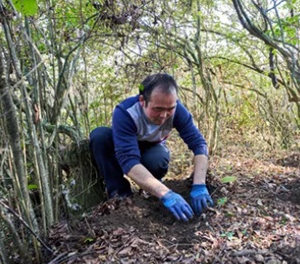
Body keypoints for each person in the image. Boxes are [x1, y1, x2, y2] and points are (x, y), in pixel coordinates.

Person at [89, 73, 213, 221]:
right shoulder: (125, 112)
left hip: (151, 149)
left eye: (170, 109)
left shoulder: (178, 111)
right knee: (99, 136)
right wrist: (166, 193)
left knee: (158, 158)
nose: (163, 115)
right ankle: (120, 195)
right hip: (123, 147)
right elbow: (128, 160)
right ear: (143, 101)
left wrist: (199, 185)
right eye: (158, 109)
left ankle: (152, 187)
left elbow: (199, 144)